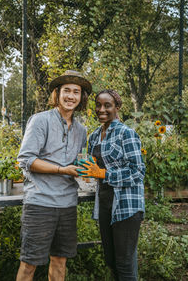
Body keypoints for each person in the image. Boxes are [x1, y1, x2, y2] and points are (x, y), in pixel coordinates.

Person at [16, 70, 92, 281]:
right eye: (66, 91)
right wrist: (61, 169)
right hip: (40, 202)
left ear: (81, 97)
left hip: (67, 204)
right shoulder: (41, 120)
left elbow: (78, 163)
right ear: (57, 94)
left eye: (76, 92)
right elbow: (27, 160)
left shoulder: (81, 130)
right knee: (29, 262)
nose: (71, 96)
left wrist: (88, 169)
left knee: (60, 261)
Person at [77, 89, 145, 281]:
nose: (102, 109)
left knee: (124, 263)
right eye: (98, 105)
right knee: (111, 260)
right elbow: (92, 167)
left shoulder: (127, 133)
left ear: (117, 107)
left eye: (107, 105)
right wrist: (87, 175)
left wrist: (103, 173)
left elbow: (137, 172)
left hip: (126, 206)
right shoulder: (95, 136)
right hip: (106, 204)